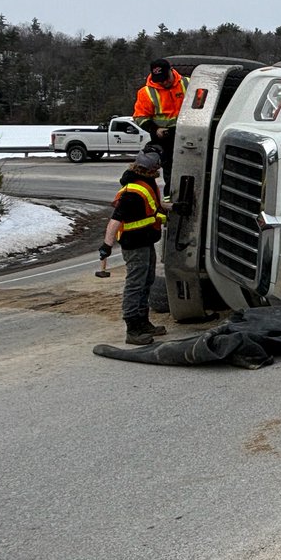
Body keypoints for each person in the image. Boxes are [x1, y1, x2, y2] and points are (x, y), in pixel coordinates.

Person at [99, 147, 168, 345]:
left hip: (145, 241)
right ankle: (132, 328)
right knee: (135, 285)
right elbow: (115, 220)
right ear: (152, 167)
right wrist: (106, 246)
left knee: (147, 281)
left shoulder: (146, 183)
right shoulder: (131, 192)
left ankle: (143, 322)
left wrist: (172, 208)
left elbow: (154, 207)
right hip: (134, 245)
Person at [134, 57, 187, 188]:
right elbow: (140, 117)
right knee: (169, 167)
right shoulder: (146, 92)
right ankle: (170, 196)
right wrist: (155, 130)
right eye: (160, 79)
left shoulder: (188, 83)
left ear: (171, 70)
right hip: (164, 137)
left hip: (188, 133)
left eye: (166, 77)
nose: (164, 82)